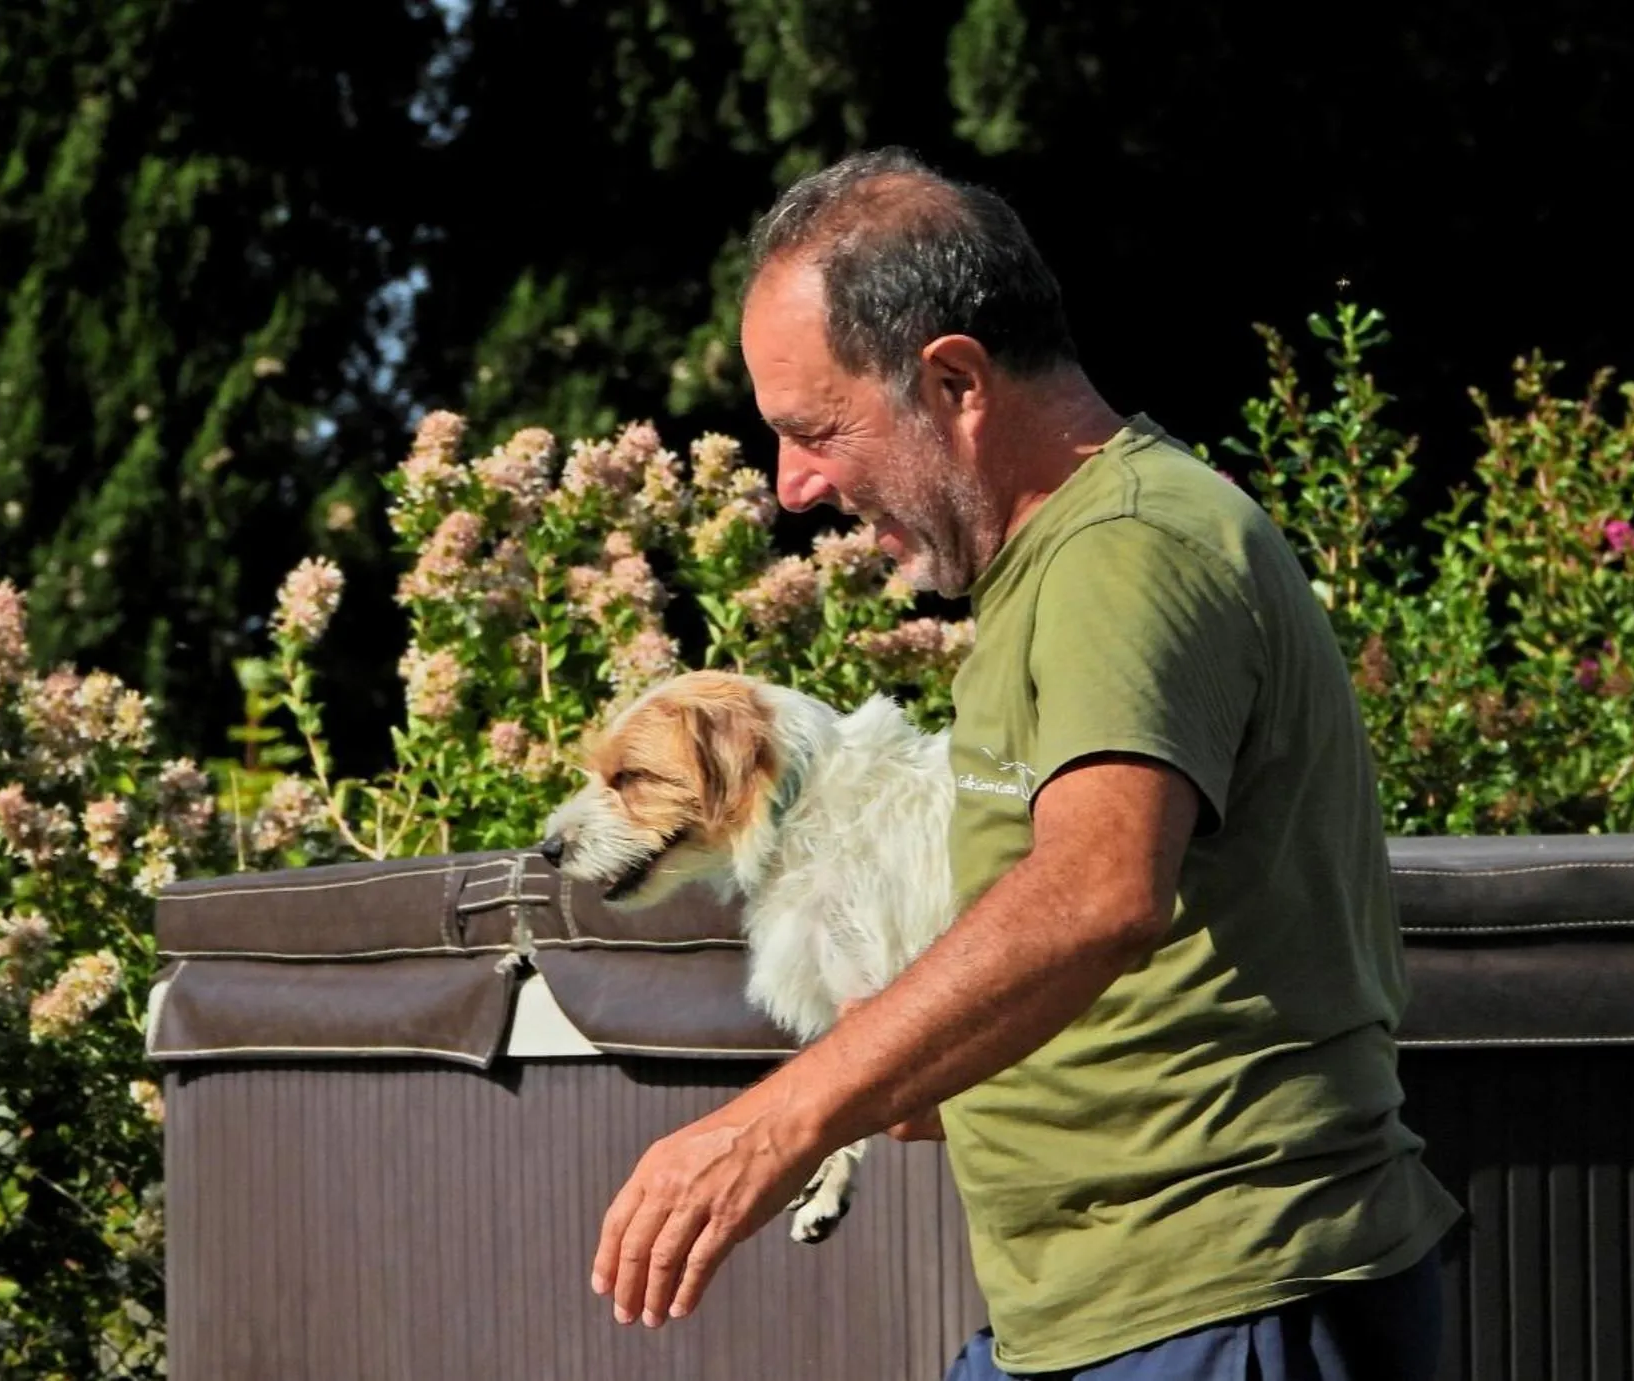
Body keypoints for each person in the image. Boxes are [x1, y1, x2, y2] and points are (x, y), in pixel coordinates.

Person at [588, 146, 1462, 1380]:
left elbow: (1100, 888)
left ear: (953, 381)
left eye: (816, 428)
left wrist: (777, 1121)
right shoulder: (1049, 572)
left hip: (1221, 1298)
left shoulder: (1131, 550)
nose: (793, 486)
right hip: (1113, 1309)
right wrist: (935, 1063)